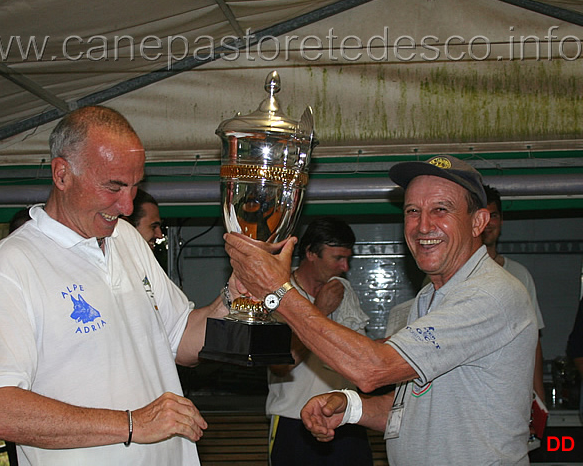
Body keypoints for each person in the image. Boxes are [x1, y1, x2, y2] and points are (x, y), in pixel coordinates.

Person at [224, 154, 538, 465]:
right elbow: (415, 406)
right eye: (413, 211)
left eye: (441, 210)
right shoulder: (431, 296)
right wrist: (350, 407)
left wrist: (279, 291)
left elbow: (373, 368)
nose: (423, 225)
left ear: (479, 222)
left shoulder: (489, 294)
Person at [0, 106, 233, 466]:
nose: (126, 206)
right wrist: (132, 424)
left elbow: (182, 340)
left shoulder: (126, 239)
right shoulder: (11, 266)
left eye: (135, 187)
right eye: (113, 187)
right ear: (62, 174)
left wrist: (234, 295)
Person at [266, 217, 373, 466]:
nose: (345, 267)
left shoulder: (343, 289)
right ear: (311, 253)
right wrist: (318, 313)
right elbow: (281, 365)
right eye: (337, 258)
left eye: (348, 258)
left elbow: (360, 357)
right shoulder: (278, 296)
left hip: (346, 417)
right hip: (294, 420)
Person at [481, 184, 546, 404]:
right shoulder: (449, 277)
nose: (488, 223)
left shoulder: (519, 275)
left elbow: (533, 343)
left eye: (494, 216)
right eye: (483, 216)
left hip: (511, 396)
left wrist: (539, 401)